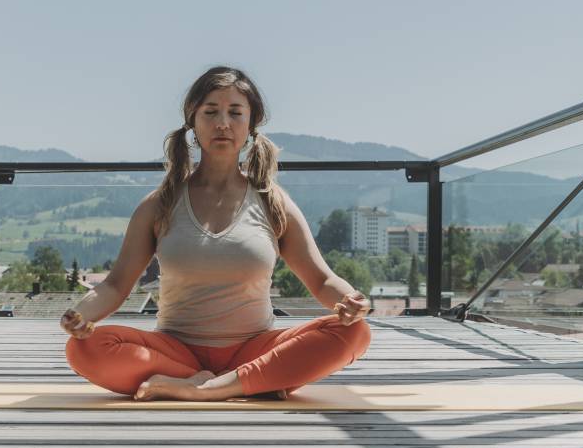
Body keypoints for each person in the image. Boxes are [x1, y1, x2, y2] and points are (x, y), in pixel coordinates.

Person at [59, 65, 371, 401]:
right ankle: (239, 382)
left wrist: (352, 301)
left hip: (254, 349)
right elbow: (116, 284)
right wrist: (80, 316)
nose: (223, 123)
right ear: (193, 122)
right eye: (211, 112)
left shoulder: (273, 203)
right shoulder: (159, 205)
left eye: (235, 113)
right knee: (85, 349)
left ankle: (208, 387)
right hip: (176, 352)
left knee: (355, 333)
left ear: (250, 125)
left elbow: (322, 280)